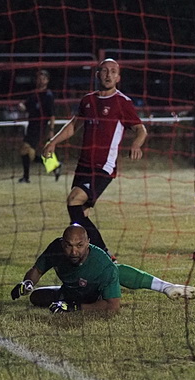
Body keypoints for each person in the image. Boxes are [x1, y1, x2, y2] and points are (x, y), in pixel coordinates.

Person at [42, 59, 148, 258]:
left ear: (118, 77)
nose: (108, 75)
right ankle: (90, 253)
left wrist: (136, 144)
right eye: (104, 71)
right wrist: (53, 141)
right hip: (83, 164)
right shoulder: (88, 100)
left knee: (74, 200)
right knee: (79, 214)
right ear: (97, 74)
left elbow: (141, 130)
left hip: (104, 167)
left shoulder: (122, 102)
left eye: (113, 71)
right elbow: (74, 125)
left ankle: (105, 254)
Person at [10, 224, 195, 313]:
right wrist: (27, 283)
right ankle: (166, 286)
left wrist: (75, 308)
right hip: (71, 291)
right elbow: (38, 269)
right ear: (62, 243)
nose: (74, 251)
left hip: (94, 296)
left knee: (114, 272)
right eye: (69, 246)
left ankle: (165, 286)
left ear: (88, 243)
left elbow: (112, 307)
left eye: (79, 245)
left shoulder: (102, 264)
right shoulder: (56, 248)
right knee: (36, 297)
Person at [17, 69, 61, 183]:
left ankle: (26, 177)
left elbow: (52, 114)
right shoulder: (34, 94)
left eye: (43, 78)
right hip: (31, 125)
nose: (40, 80)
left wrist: (51, 129)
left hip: (40, 126)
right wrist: (22, 106)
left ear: (47, 80)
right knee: (27, 152)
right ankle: (54, 166)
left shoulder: (48, 95)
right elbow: (26, 105)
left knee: (25, 149)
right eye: (39, 78)